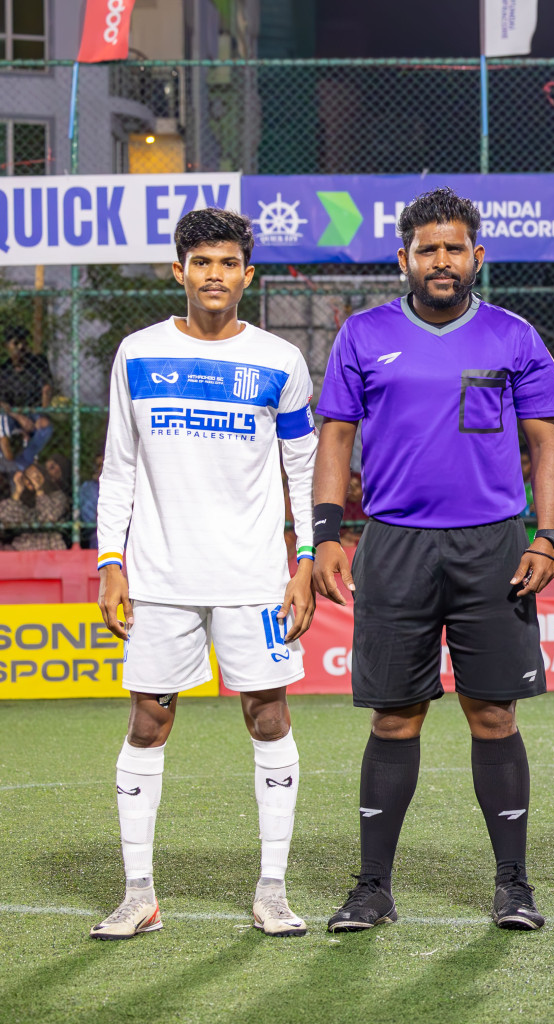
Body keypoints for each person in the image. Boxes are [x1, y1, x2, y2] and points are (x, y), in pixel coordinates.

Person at [313, 188, 554, 934]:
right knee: (395, 719)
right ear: (405, 260)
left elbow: (548, 442)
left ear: (477, 257)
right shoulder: (363, 335)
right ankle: (371, 888)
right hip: (394, 544)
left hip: (493, 544)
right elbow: (334, 438)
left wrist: (547, 536)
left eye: (455, 248)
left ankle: (513, 885)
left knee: (493, 714)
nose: (443, 261)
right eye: (429, 249)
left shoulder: (515, 338)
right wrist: (328, 532)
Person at [89, 208, 318, 939]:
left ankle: (273, 889)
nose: (214, 275)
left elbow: (303, 472)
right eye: (201, 261)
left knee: (268, 716)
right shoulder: (138, 352)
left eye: (228, 263)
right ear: (178, 269)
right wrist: (110, 560)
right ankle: (138, 894)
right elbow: (118, 467)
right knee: (148, 722)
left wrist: (305, 560)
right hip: (158, 577)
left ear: (246, 276)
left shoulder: (279, 360)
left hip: (253, 579)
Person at [0, 462, 67, 550]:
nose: (31, 480)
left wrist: (39, 490)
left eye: (36, 476)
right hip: (23, 549)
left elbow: (48, 518)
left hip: (49, 547)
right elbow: (5, 518)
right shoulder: (20, 501)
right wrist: (18, 492)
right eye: (27, 477)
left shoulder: (57, 496)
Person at [0, 324, 54, 409]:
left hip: (36, 411)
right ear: (6, 346)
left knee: (45, 422)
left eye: (23, 342)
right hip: (12, 414)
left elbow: (46, 388)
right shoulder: (4, 370)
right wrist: (20, 418)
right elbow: (2, 403)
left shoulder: (38, 364)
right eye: (16, 343)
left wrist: (43, 414)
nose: (21, 347)